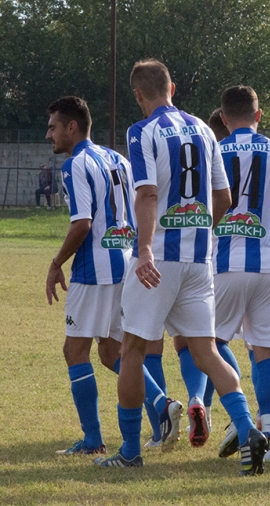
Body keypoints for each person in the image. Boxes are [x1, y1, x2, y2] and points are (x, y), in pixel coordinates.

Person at [97, 59, 265, 474]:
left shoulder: (142, 131)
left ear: (139, 94)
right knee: (206, 351)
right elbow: (224, 198)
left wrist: (145, 250)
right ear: (172, 88)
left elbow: (148, 195)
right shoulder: (205, 130)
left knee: (131, 349)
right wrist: (199, 232)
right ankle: (248, 429)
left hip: (158, 260)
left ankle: (130, 450)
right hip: (199, 260)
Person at [43, 96, 175, 457]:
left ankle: (92, 440)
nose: (48, 135)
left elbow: (82, 224)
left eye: (53, 127)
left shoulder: (75, 164)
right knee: (112, 351)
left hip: (94, 270)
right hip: (126, 263)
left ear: (72, 127)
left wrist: (56, 263)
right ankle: (163, 405)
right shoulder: (119, 159)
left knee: (74, 350)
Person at [206, 86, 270, 465]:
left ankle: (242, 421)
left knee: (206, 346)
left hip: (225, 263)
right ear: (259, 115)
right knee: (267, 355)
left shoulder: (214, 149)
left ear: (223, 118)